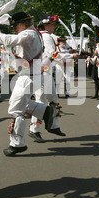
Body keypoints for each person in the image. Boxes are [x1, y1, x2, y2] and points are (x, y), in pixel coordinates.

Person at [0, 12, 57, 156]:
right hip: (29, 75)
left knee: (15, 110)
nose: (14, 29)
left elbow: (9, 41)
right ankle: (45, 111)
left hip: (29, 77)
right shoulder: (32, 33)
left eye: (15, 26)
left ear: (22, 23)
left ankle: (17, 144)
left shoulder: (29, 34)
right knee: (19, 103)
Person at [29, 14, 77, 142]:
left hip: (43, 72)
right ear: (45, 25)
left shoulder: (39, 36)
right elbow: (53, 55)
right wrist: (72, 56)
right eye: (52, 24)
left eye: (55, 24)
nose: (55, 26)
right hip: (43, 73)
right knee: (41, 101)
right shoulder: (47, 37)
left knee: (53, 98)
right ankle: (34, 129)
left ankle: (53, 125)